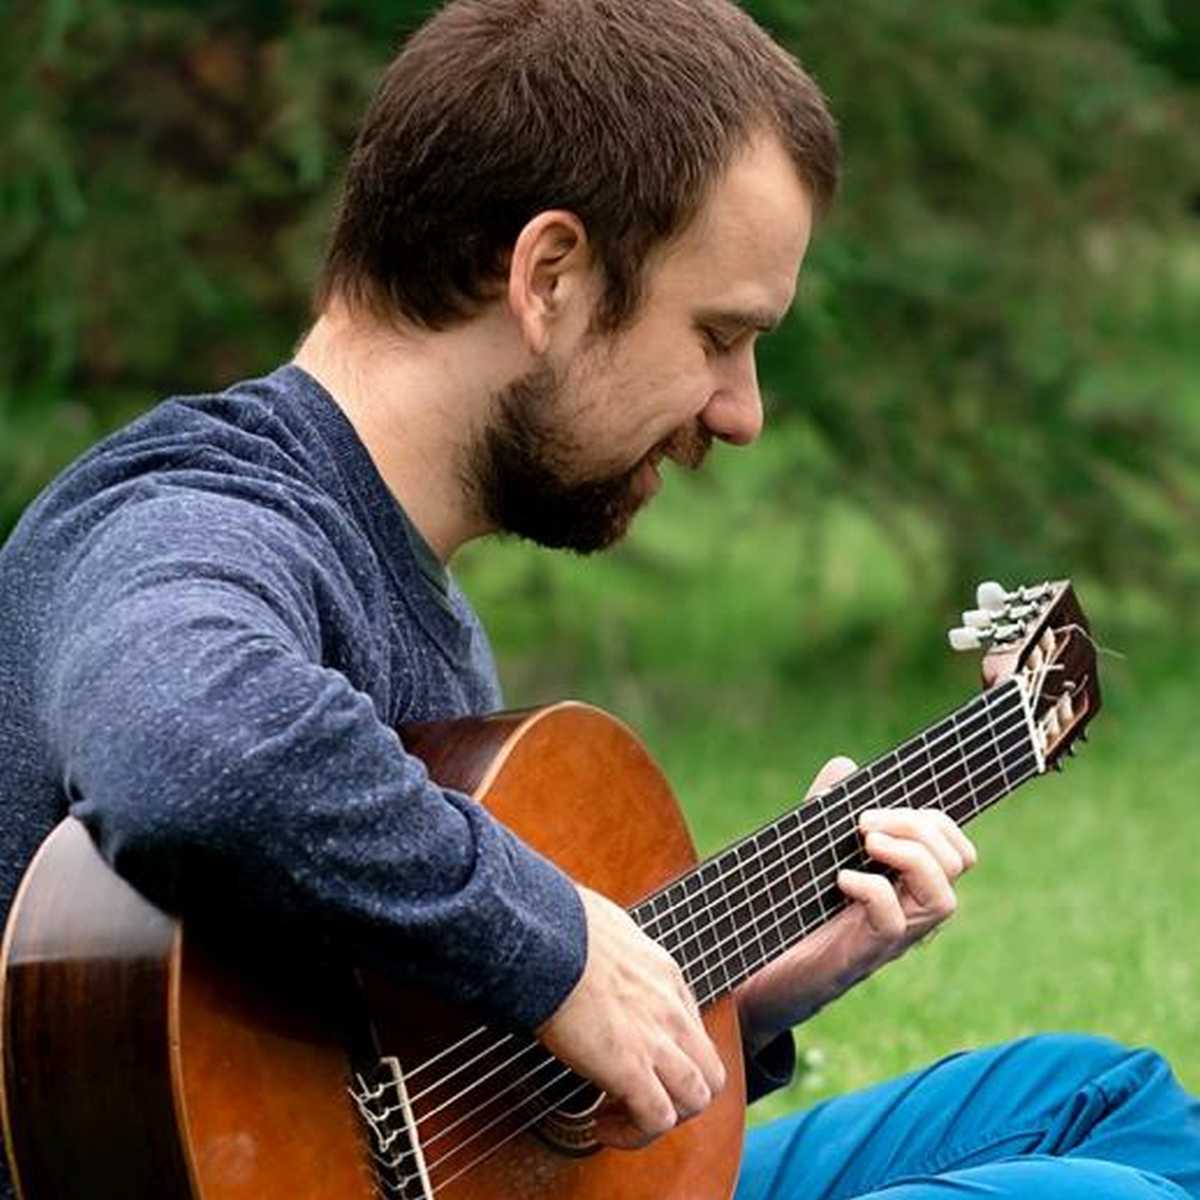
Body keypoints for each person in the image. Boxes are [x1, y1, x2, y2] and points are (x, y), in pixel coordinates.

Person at [0, 1, 1196, 1197]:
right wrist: (561, 951)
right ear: (551, 277)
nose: (742, 410)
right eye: (719, 334)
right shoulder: (193, 520)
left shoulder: (411, 597)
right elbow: (188, 740)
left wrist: (725, 994)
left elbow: (432, 1073)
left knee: (1108, 1104)